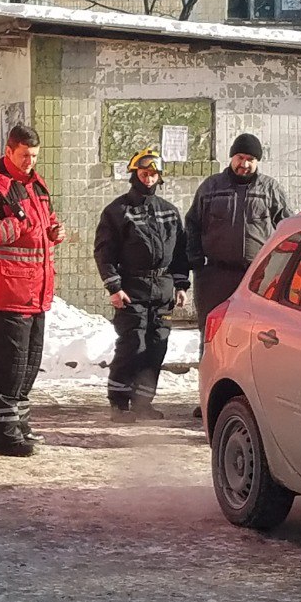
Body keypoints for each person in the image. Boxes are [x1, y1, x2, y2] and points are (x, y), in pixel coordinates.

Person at [0, 124, 64, 456]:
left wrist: (53, 233)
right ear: (9, 151)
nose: (29, 162)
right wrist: (15, 226)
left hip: (36, 293)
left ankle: (20, 425)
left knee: (28, 365)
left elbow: (44, 224)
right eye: (24, 155)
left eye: (34, 156)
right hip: (9, 293)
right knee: (8, 367)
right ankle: (4, 435)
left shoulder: (36, 184)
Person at [186, 133, 291, 417]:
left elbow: (287, 228)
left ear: (258, 162)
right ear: (232, 157)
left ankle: (255, 400)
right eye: (240, 158)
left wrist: (279, 268)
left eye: (250, 159)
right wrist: (196, 260)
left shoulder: (270, 189)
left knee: (255, 338)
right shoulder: (211, 188)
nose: (244, 164)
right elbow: (192, 225)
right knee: (212, 336)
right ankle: (208, 400)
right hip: (215, 276)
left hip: (256, 278)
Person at [94, 147, 190, 422]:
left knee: (156, 347)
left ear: (160, 177)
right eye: (144, 173)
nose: (148, 178)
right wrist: (114, 287)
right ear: (134, 174)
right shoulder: (117, 211)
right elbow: (104, 252)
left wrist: (181, 285)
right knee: (132, 345)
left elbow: (180, 252)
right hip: (131, 288)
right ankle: (119, 403)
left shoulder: (169, 212)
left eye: (153, 174)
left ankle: (143, 403)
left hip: (162, 290)